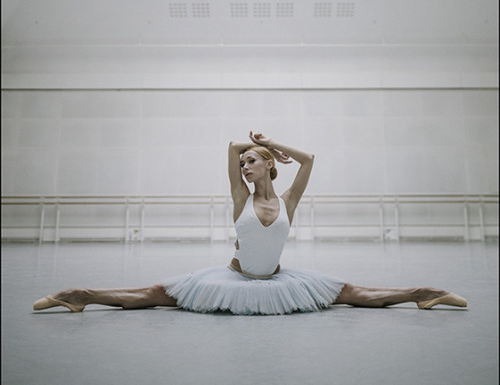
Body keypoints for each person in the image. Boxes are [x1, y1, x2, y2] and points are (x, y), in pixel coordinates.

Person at [33, 131, 467, 315]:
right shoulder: (239, 196)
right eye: (243, 163)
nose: (245, 165)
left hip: (280, 280)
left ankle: (424, 293)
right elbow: (230, 146)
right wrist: (251, 145)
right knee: (151, 294)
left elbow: (309, 159)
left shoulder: (289, 197)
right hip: (232, 279)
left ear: (268, 167)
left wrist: (272, 145)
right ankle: (79, 295)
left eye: (252, 162)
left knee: (353, 292)